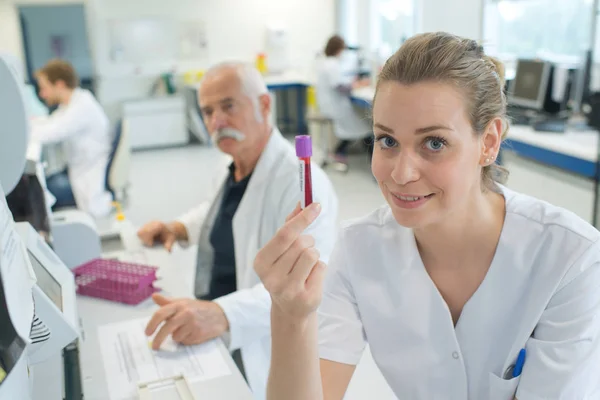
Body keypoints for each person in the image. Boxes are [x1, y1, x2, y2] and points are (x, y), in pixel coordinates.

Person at [255, 32, 600, 400]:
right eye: (387, 140)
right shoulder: (359, 249)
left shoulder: (570, 259)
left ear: (488, 142)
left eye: (434, 143)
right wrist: (291, 318)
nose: (402, 174)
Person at [137, 62, 338, 400]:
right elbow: (221, 211)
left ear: (263, 105)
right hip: (213, 332)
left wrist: (222, 314)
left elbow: (306, 286)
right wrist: (179, 227)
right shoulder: (233, 164)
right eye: (207, 111)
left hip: (259, 345)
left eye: (228, 106)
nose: (217, 121)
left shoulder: (301, 184)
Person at [30, 59, 113, 218]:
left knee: (38, 194)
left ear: (60, 85)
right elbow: (51, 122)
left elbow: (51, 133)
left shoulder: (81, 107)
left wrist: (22, 132)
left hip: (88, 177)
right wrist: (30, 124)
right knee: (44, 184)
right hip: (78, 170)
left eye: (44, 88)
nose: (42, 94)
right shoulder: (73, 102)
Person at [315, 35, 372, 171]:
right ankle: (371, 164)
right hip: (336, 108)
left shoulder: (326, 63)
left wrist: (353, 83)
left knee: (359, 128)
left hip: (330, 105)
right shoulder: (332, 64)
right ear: (339, 49)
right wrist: (357, 84)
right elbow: (340, 87)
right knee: (367, 130)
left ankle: (340, 151)